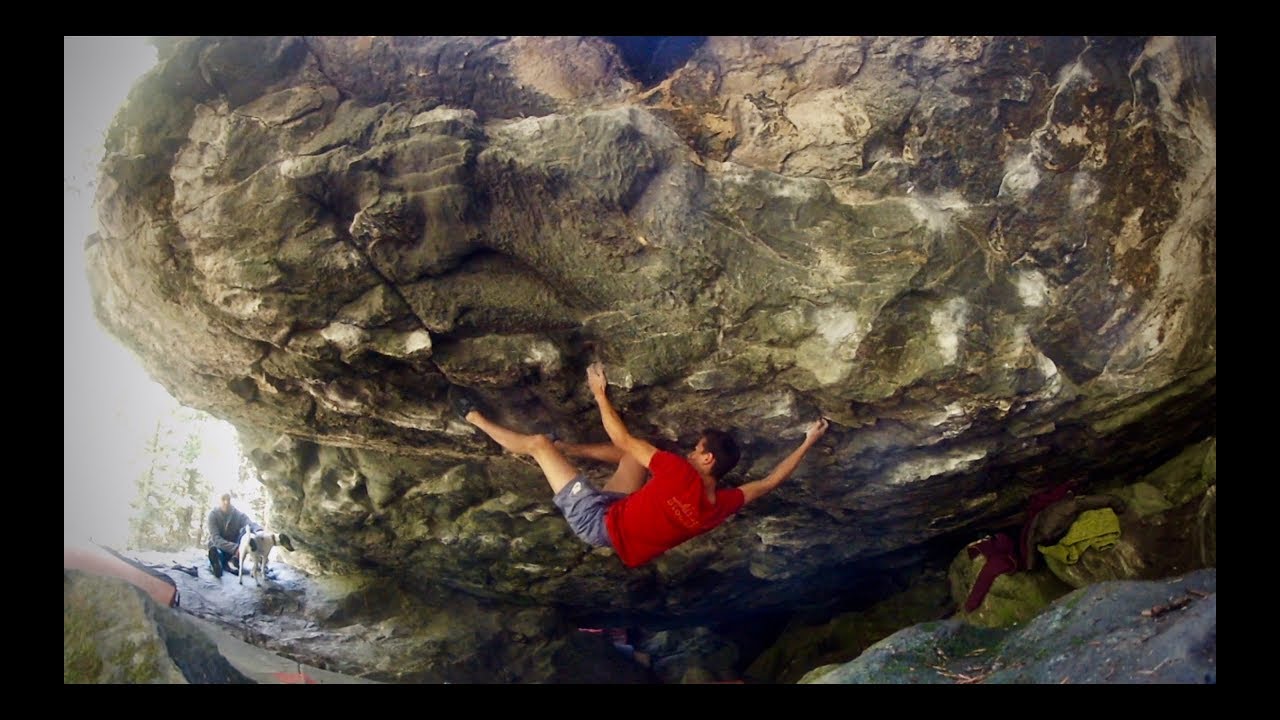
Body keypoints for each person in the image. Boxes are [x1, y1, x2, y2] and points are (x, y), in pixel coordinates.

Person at [454, 362, 829, 568]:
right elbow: (771, 482)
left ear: (707, 459)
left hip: (597, 523)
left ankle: (471, 417)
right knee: (635, 457)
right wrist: (808, 441)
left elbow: (621, 438)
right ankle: (564, 446)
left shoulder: (679, 473)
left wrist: (599, 393)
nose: (689, 452)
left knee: (536, 445)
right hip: (621, 515)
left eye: (696, 449)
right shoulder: (720, 506)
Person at [206, 492, 262, 579]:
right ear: (219, 501)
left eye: (228, 499)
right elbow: (216, 538)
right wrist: (235, 548)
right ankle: (216, 565)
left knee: (246, 531)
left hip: (235, 548)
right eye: (223, 499)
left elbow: (249, 523)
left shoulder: (237, 515)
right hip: (220, 546)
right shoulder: (212, 515)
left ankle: (235, 561)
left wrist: (259, 530)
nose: (226, 502)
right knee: (216, 552)